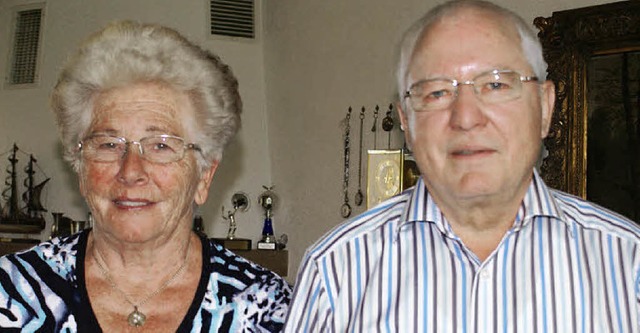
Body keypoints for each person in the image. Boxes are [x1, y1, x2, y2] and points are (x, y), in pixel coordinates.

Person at [285, 1, 640, 332]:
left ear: (545, 107)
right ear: (406, 121)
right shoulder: (336, 272)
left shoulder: (629, 262)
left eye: (496, 84)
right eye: (437, 93)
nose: (466, 118)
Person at [0, 21, 290, 332]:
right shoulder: (11, 292)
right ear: (81, 168)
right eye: (109, 144)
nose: (131, 171)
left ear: (204, 176)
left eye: (161, 146)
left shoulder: (269, 307)